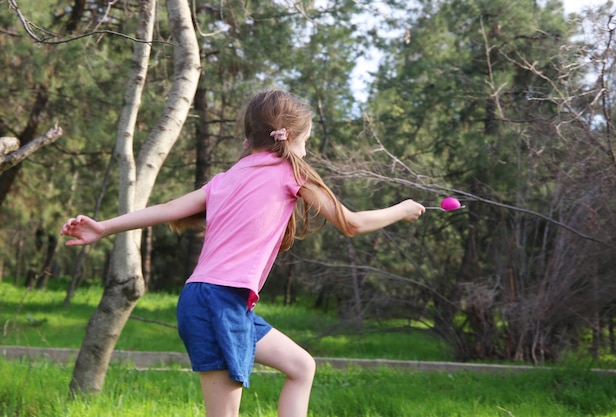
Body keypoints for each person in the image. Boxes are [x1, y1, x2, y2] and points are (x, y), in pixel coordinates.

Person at [60, 89, 425, 417]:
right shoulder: (291, 171)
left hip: (217, 300)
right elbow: (352, 223)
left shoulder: (228, 177)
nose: (305, 151)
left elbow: (170, 208)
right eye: (306, 141)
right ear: (289, 137)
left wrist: (105, 226)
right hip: (219, 300)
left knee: (301, 366)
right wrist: (402, 209)